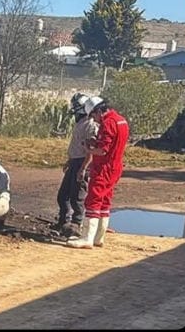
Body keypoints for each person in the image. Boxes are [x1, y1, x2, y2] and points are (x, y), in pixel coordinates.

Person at [67, 97, 130, 249]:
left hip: (103, 168)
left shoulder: (108, 123)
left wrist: (88, 149)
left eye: (94, 116)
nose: (94, 120)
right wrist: (95, 142)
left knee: (93, 201)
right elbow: (111, 144)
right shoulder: (121, 120)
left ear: (99, 111)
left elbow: (103, 150)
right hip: (115, 167)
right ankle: (98, 237)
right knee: (105, 201)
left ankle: (87, 238)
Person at [55, 92, 98, 234]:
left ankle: (76, 224)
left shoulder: (90, 125)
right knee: (63, 195)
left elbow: (90, 150)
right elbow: (77, 145)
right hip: (74, 161)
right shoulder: (80, 123)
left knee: (77, 196)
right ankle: (63, 221)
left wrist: (83, 168)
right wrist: (69, 161)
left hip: (81, 163)